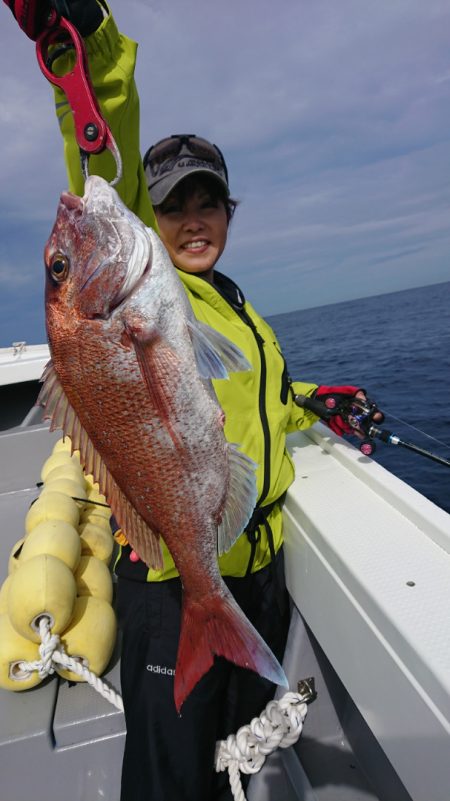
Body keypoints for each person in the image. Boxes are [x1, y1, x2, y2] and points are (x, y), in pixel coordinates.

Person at [4, 2, 383, 800]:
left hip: (251, 574)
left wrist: (312, 399)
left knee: (238, 753)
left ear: (229, 213)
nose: (192, 219)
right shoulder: (148, 288)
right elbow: (98, 145)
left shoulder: (236, 309)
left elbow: (245, 401)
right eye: (172, 205)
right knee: (170, 776)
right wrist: (83, 47)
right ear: (151, 215)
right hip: (174, 581)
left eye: (208, 202)